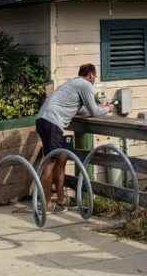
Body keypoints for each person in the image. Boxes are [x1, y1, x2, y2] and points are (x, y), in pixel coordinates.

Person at [35, 63, 112, 211]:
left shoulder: (74, 82)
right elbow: (94, 111)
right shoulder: (85, 85)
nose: (95, 80)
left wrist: (100, 106)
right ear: (90, 74)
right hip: (52, 123)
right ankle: (47, 204)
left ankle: (62, 200)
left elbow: (83, 109)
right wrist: (108, 108)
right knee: (50, 162)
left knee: (62, 157)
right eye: (95, 76)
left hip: (47, 121)